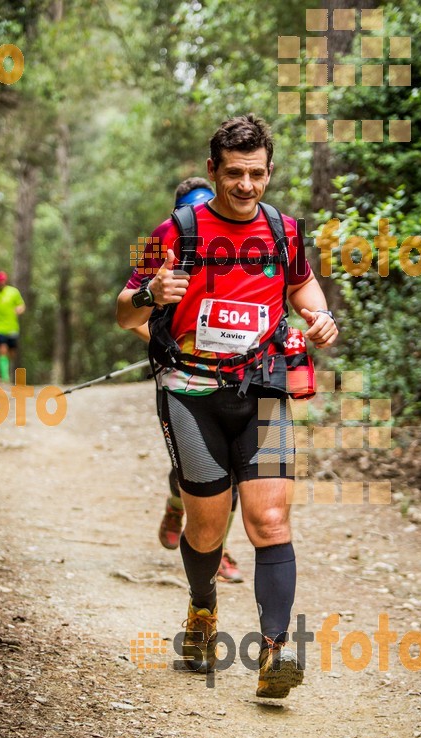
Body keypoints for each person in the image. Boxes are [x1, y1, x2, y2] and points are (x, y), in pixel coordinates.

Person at [116, 114, 338, 699]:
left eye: (257, 174)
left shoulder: (286, 231)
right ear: (213, 169)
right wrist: (148, 292)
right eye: (234, 173)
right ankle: (201, 610)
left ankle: (275, 653)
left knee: (270, 520)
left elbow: (302, 285)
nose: (246, 185)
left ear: (269, 173)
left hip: (262, 387)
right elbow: (123, 310)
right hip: (191, 392)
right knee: (208, 530)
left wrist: (318, 315)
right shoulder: (173, 230)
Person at [126, 177, 243, 583]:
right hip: (181, 378)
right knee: (198, 469)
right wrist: (169, 348)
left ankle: (221, 549)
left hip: (235, 378)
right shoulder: (168, 247)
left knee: (233, 474)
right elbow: (132, 315)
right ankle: (177, 503)